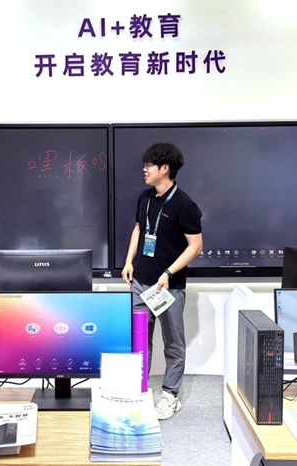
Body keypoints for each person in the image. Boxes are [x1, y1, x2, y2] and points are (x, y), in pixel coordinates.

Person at [121, 142, 203, 420]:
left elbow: (196, 246)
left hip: (167, 286)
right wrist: (129, 261)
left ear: (165, 168)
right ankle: (139, 389)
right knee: (139, 339)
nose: (144, 170)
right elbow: (138, 229)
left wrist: (168, 273)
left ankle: (170, 394)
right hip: (140, 281)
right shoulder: (145, 197)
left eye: (149, 165)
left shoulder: (185, 205)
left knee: (173, 343)